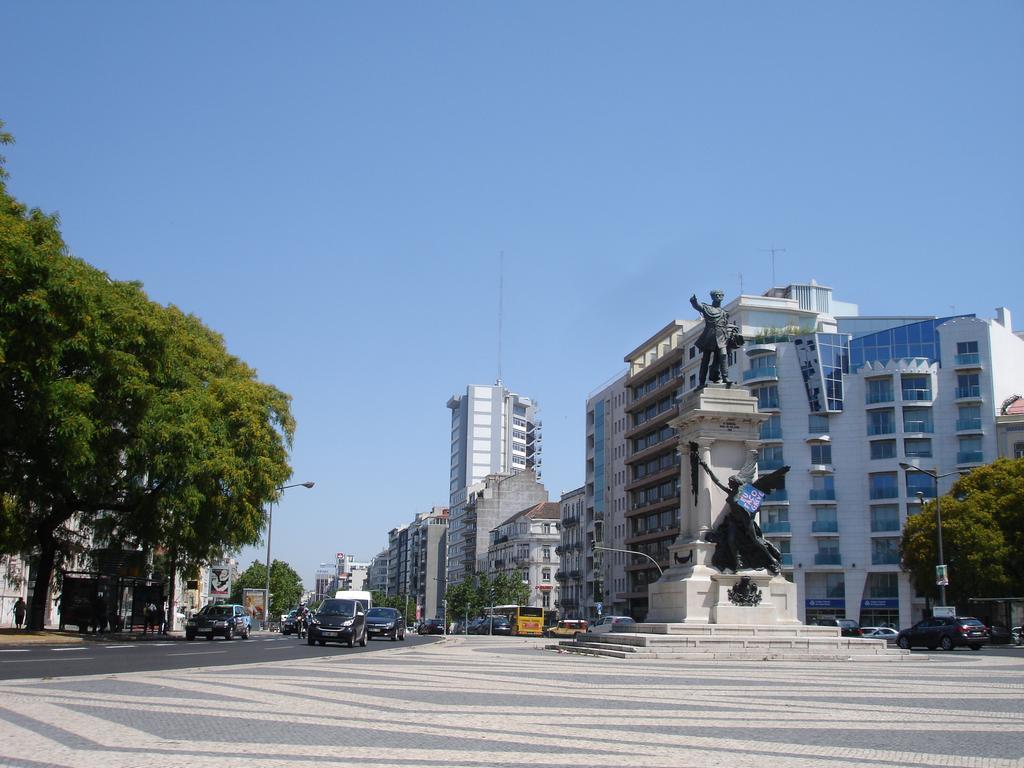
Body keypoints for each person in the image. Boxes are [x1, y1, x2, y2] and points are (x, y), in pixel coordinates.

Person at [689, 289, 743, 387]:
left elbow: (726, 325)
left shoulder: (724, 312)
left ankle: (725, 377)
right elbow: (698, 306)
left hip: (722, 337)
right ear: (713, 297)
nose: (718, 297)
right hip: (709, 337)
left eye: (720, 295)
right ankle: (701, 382)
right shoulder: (707, 308)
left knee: (723, 355)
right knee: (705, 359)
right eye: (716, 295)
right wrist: (694, 302)